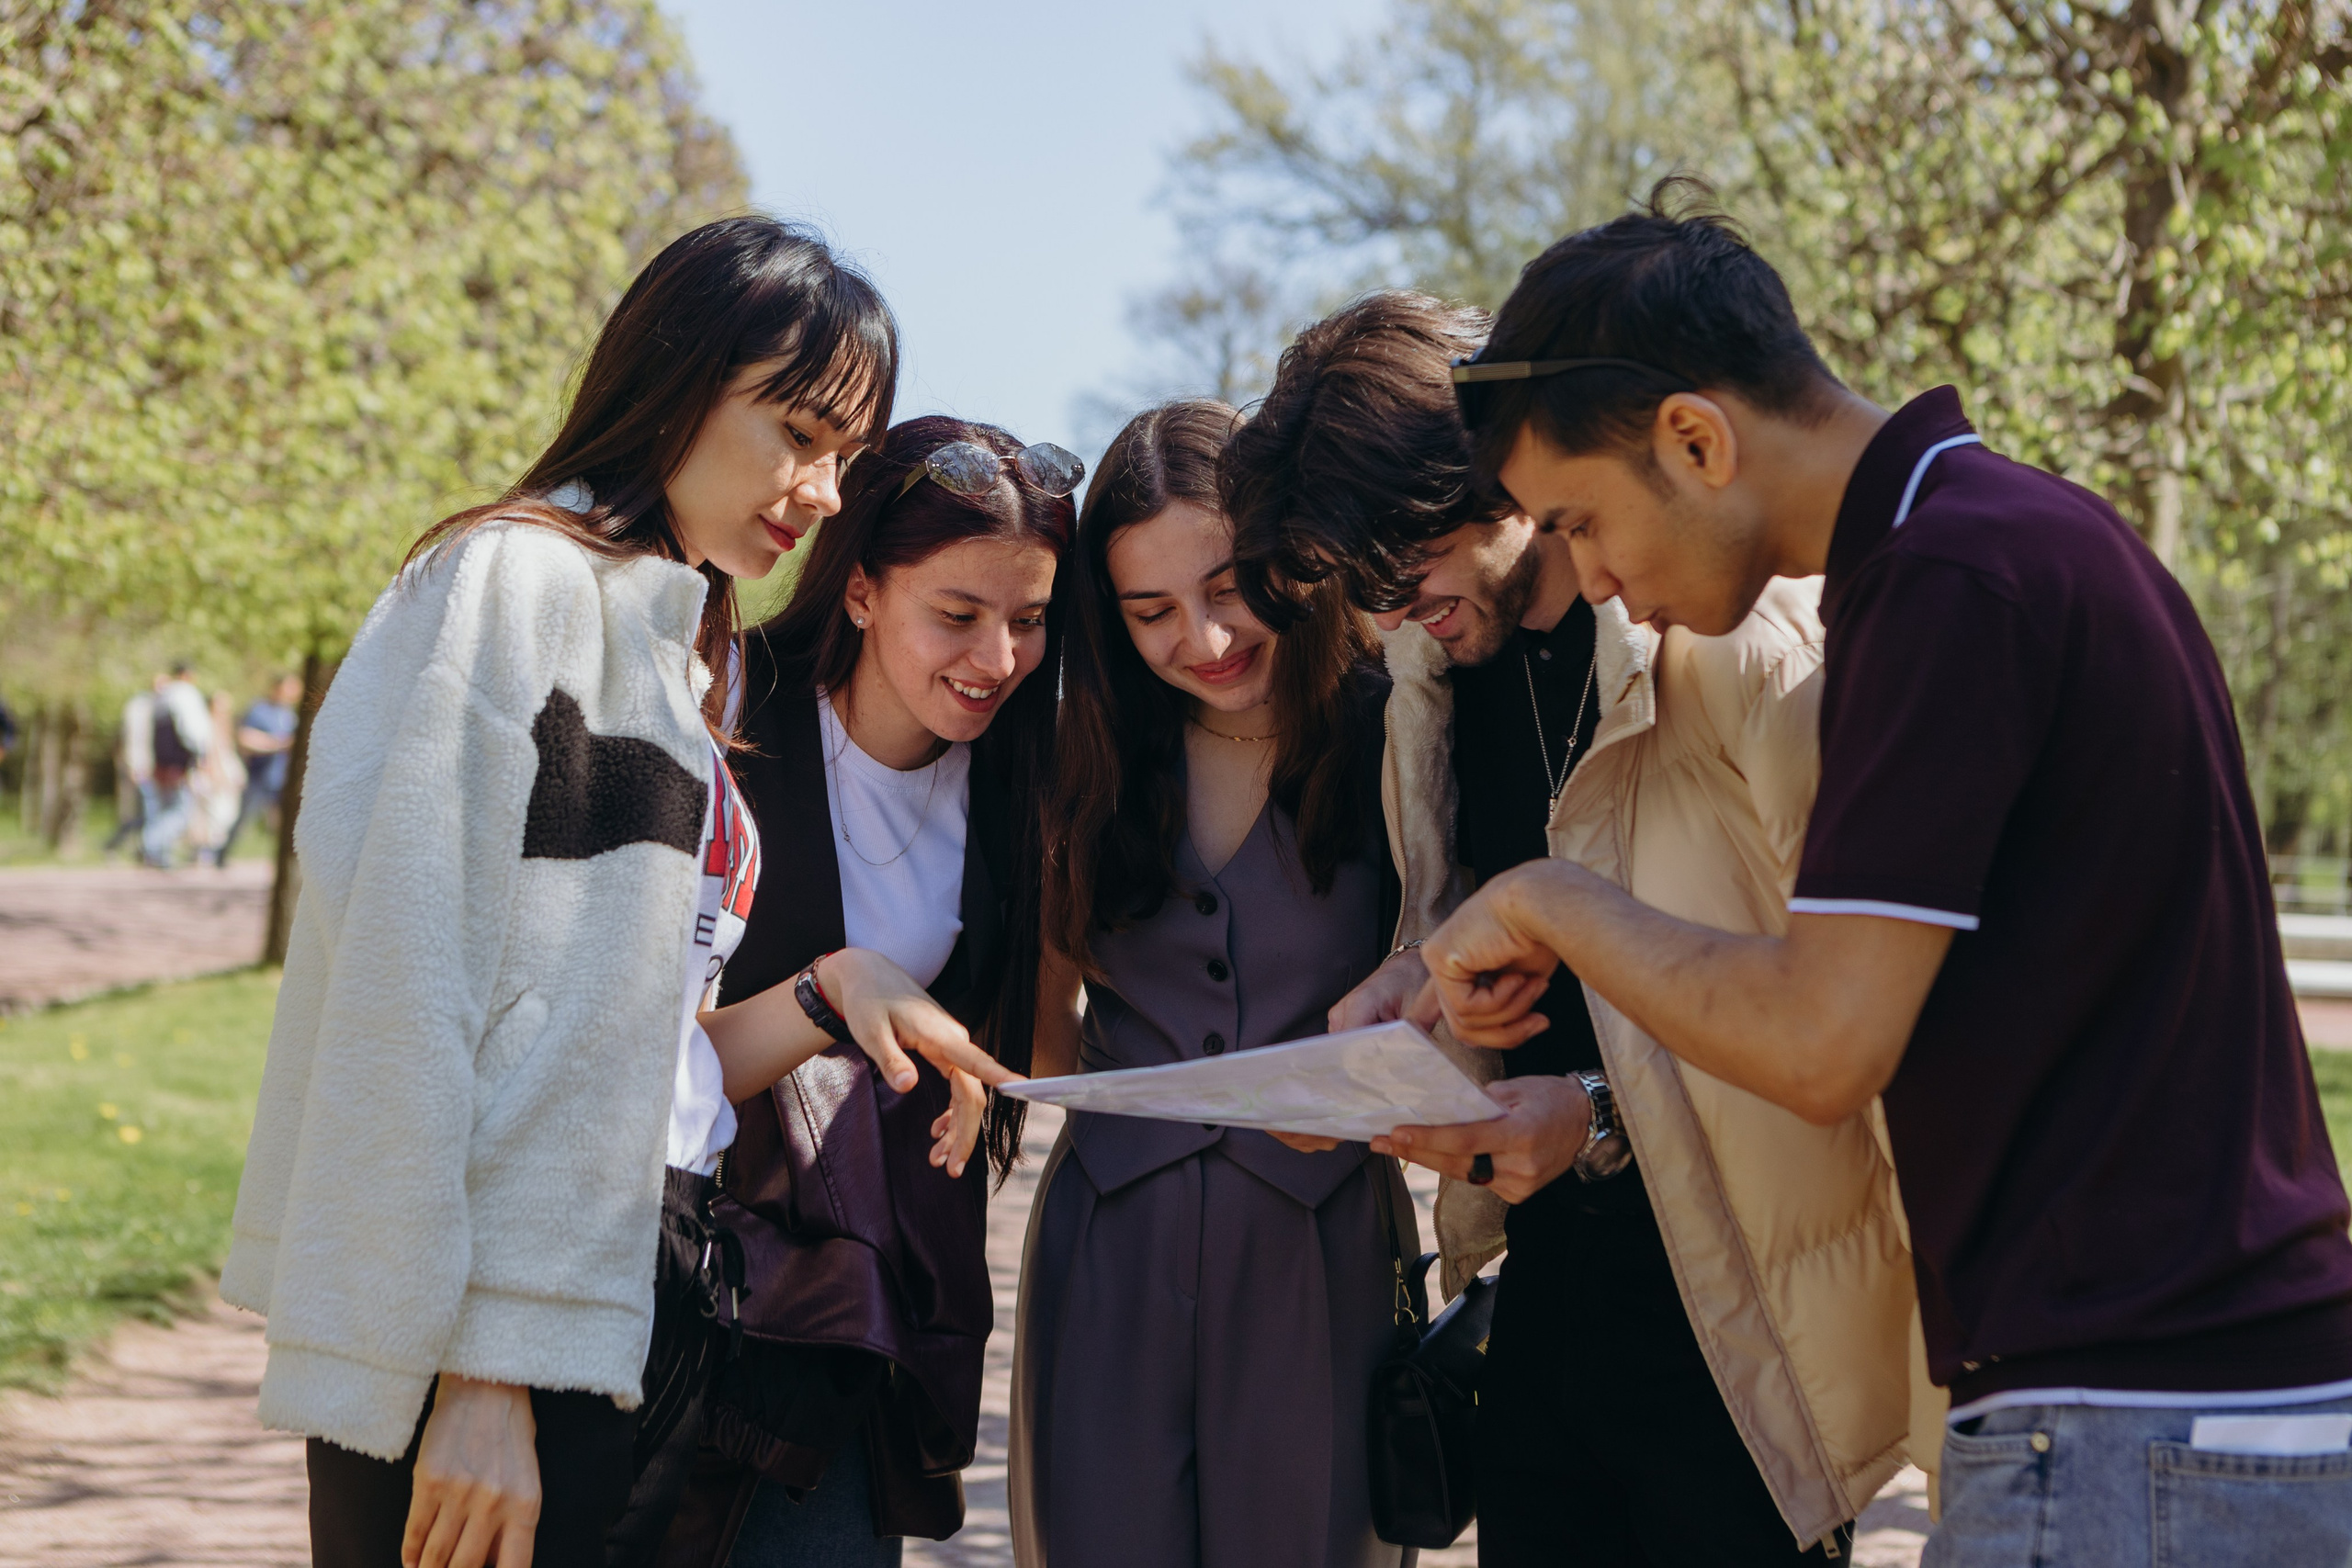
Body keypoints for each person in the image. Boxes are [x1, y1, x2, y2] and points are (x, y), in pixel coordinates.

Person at [1408, 183, 2352, 1564]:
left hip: (2130, 1416)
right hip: (2197, 1403)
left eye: (1582, 518)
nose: (1596, 577)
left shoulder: (1946, 577)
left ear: (1695, 437)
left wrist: (1554, 895)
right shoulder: (2019, 535)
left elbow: (1819, 1036)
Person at [221, 217, 1012, 1568]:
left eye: (843, 454)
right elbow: (410, 995)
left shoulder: (669, 643)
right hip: (496, 1337)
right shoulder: (513, 582)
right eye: (798, 433)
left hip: (630, 1287)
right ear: (678, 375)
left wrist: (834, 988)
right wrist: (483, 1374)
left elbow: (632, 1049)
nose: (823, 491)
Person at [1221, 291, 1927, 1563]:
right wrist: (1413, 997)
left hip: (1741, 1334)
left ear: (1490, 479)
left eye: (1404, 566)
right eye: (1361, 586)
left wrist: (1592, 1113)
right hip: (1538, 1309)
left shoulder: (1733, 639)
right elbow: (1496, 942)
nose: (1392, 611)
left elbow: (1842, 1018)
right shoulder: (1429, 686)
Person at [655, 415, 1078, 1567]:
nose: (997, 659)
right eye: (957, 616)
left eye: (1029, 622)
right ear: (858, 595)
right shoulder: (724, 717)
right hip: (681, 1267)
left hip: (854, 1298)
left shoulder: (1015, 776)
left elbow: (1030, 1037)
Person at [1008, 400, 1416, 1568]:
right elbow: (1043, 1052)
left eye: (1229, 587)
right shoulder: (1080, 759)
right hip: (1110, 1254)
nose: (1205, 637)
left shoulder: (1393, 725)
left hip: (1324, 1247)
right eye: (1151, 612)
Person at [216, 672, 303, 864]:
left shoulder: (290, 714)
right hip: (259, 776)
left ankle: (285, 861)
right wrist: (277, 744)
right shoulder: (259, 710)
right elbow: (245, 738)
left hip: (282, 778)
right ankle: (221, 855)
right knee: (244, 819)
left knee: (286, 824)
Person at [138, 662, 211, 867]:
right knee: (181, 811)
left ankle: (159, 853)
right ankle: (151, 845)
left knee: (167, 809)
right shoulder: (185, 695)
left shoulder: (163, 696)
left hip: (162, 762)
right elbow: (193, 731)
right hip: (179, 763)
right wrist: (198, 755)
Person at [189, 690, 247, 864]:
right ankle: (207, 851)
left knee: (223, 814)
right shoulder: (208, 725)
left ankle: (210, 850)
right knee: (215, 814)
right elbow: (212, 754)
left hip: (225, 772)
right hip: (214, 775)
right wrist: (219, 775)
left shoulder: (225, 726)